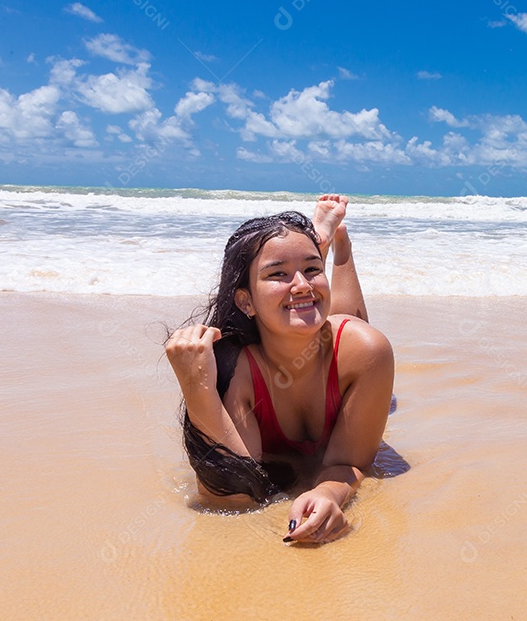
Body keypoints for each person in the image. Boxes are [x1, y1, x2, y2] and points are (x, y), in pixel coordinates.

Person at [165, 194, 394, 544]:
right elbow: (234, 494)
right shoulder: (236, 370)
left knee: (353, 325)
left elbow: (349, 463)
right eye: (278, 274)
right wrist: (196, 386)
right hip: (285, 354)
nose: (301, 283)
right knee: (316, 310)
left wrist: (329, 493)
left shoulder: (368, 351)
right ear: (245, 301)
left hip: (343, 355)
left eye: (312, 269)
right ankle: (317, 243)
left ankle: (336, 244)